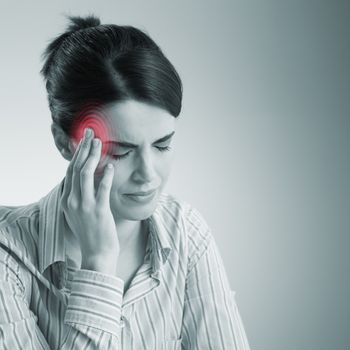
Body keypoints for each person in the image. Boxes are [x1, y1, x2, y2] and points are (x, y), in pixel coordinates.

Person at [0, 14, 251, 350]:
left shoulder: (185, 232)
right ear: (64, 141)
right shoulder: (8, 253)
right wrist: (99, 263)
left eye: (162, 145)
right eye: (120, 152)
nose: (148, 173)